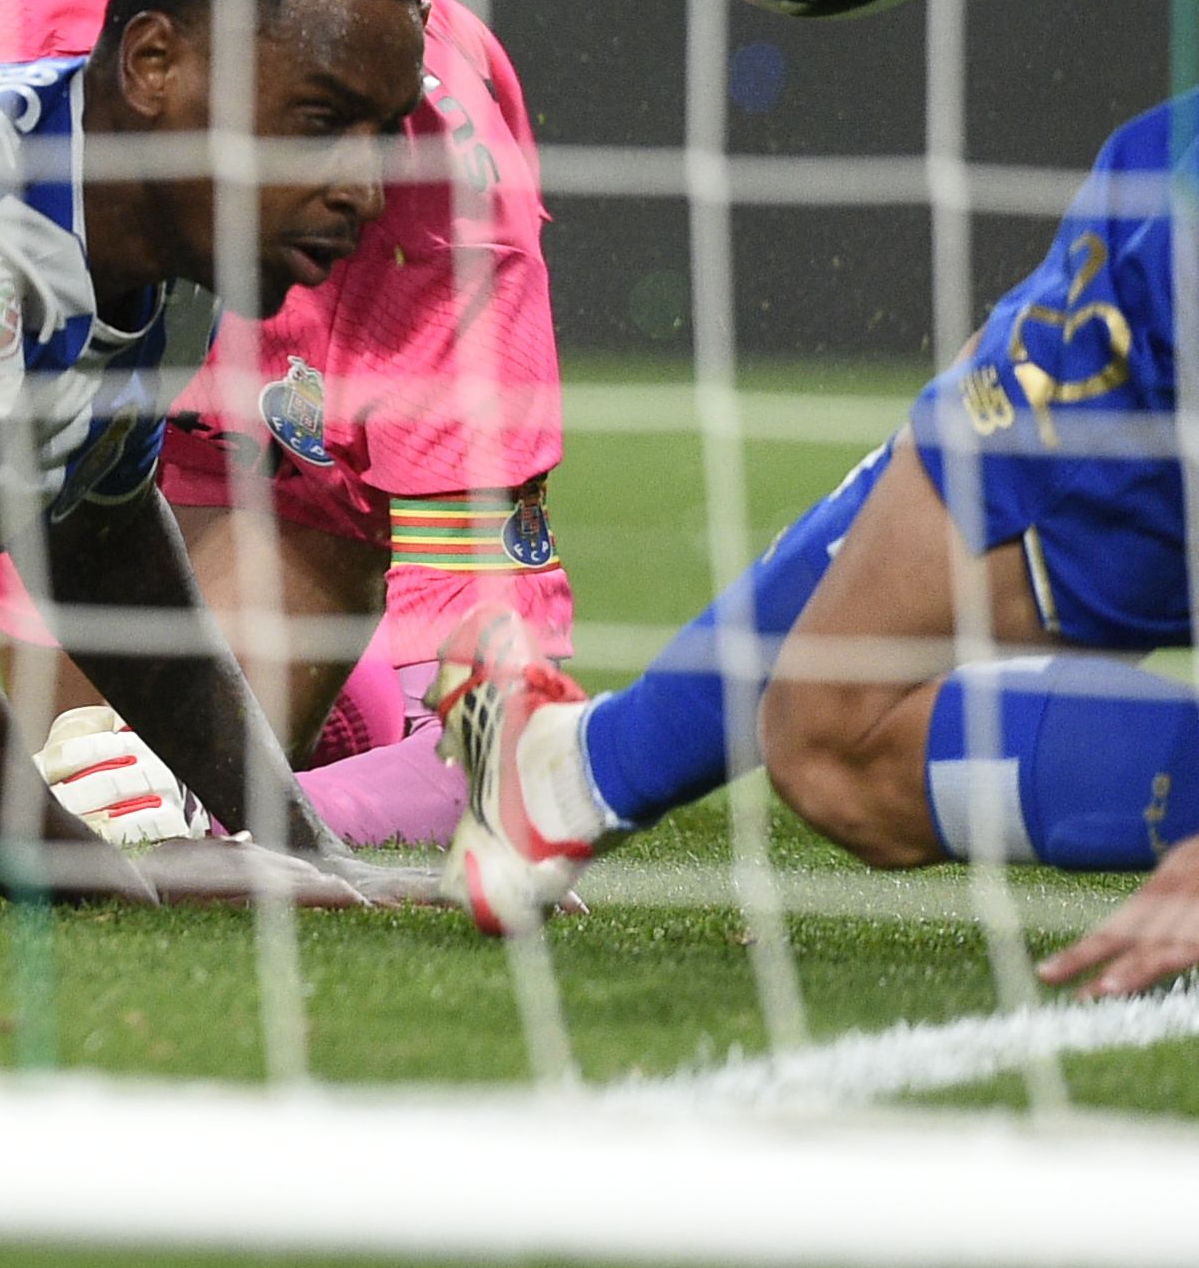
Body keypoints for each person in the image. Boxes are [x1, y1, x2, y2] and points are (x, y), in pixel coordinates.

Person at [0, 0, 571, 852]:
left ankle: (332, 707)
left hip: (265, 486)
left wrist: (280, 839)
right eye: (314, 117)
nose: (355, 174)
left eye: (373, 124)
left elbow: (499, 730)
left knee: (118, 768)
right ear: (153, 54)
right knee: (68, 749)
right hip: (42, 458)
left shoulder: (450, 215)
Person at [440, 96, 1199, 999]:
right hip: (1159, 232)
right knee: (967, 402)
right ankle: (577, 771)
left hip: (1160, 320)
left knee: (834, 742)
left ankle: (574, 774)